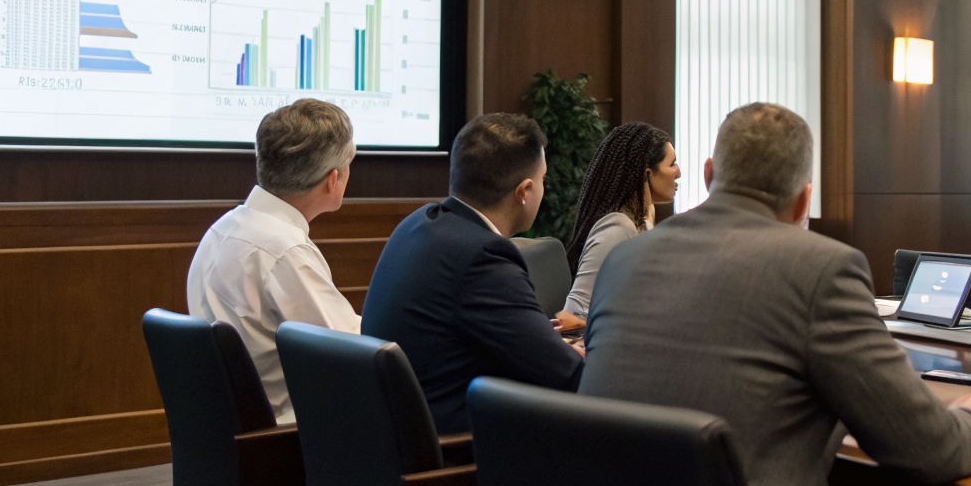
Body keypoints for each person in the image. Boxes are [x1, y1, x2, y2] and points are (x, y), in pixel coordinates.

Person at [579, 103, 971, 486]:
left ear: (709, 174)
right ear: (803, 199)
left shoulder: (625, 259)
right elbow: (929, 450)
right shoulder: (822, 267)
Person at [360, 113, 584, 434]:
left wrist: (539, 341)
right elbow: (568, 376)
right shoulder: (483, 256)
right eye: (544, 180)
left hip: (394, 440)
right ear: (525, 191)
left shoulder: (419, 223)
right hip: (454, 456)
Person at [186, 98, 362, 423]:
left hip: (228, 426)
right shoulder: (284, 250)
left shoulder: (221, 229)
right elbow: (351, 351)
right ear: (333, 179)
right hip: (290, 433)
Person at [558, 122, 680, 324]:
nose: (679, 173)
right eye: (672, 164)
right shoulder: (617, 227)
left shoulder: (641, 222)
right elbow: (574, 314)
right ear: (647, 173)